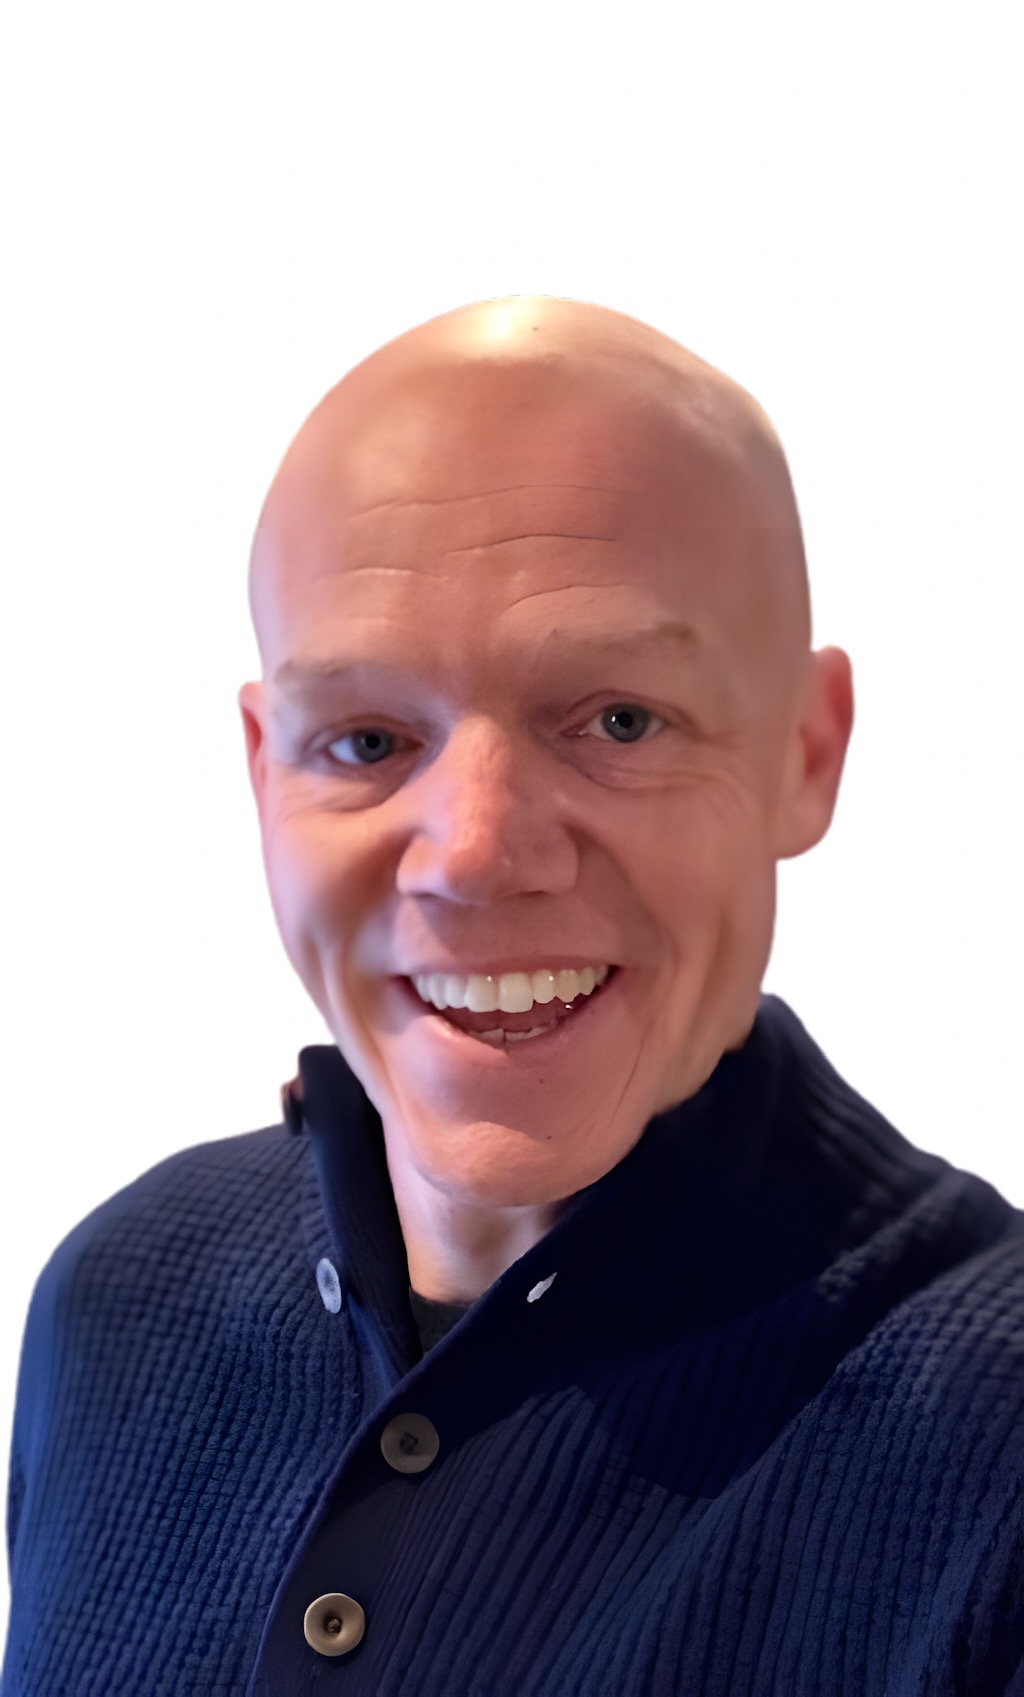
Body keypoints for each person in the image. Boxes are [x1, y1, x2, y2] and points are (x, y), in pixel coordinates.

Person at [3, 296, 1022, 1697]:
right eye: (366, 740)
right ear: (262, 766)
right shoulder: (120, 1299)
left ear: (806, 748)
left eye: (618, 719)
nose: (475, 853)